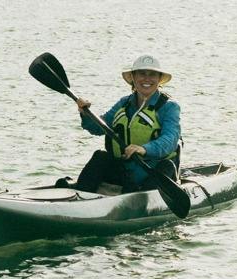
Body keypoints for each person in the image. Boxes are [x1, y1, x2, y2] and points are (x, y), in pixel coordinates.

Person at [63, 53, 182, 194]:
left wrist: (143, 149)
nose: (147, 79)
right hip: (126, 170)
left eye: (152, 75)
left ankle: (139, 200)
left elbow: (170, 140)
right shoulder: (123, 104)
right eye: (142, 74)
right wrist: (85, 113)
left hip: (154, 170)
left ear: (159, 79)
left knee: (166, 165)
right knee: (100, 157)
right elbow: (98, 128)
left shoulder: (169, 107)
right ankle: (79, 195)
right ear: (133, 77)